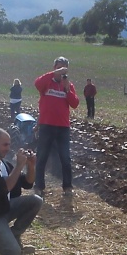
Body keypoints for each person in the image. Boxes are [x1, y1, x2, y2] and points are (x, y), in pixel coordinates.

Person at [33, 56, 79, 198]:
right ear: (54, 68)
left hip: (63, 127)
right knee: (42, 156)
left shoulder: (68, 85)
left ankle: (67, 186)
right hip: (47, 125)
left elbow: (75, 103)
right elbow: (37, 83)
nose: (61, 71)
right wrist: (54, 74)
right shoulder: (47, 81)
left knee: (65, 158)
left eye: (64, 68)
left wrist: (67, 90)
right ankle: (39, 186)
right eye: (59, 67)